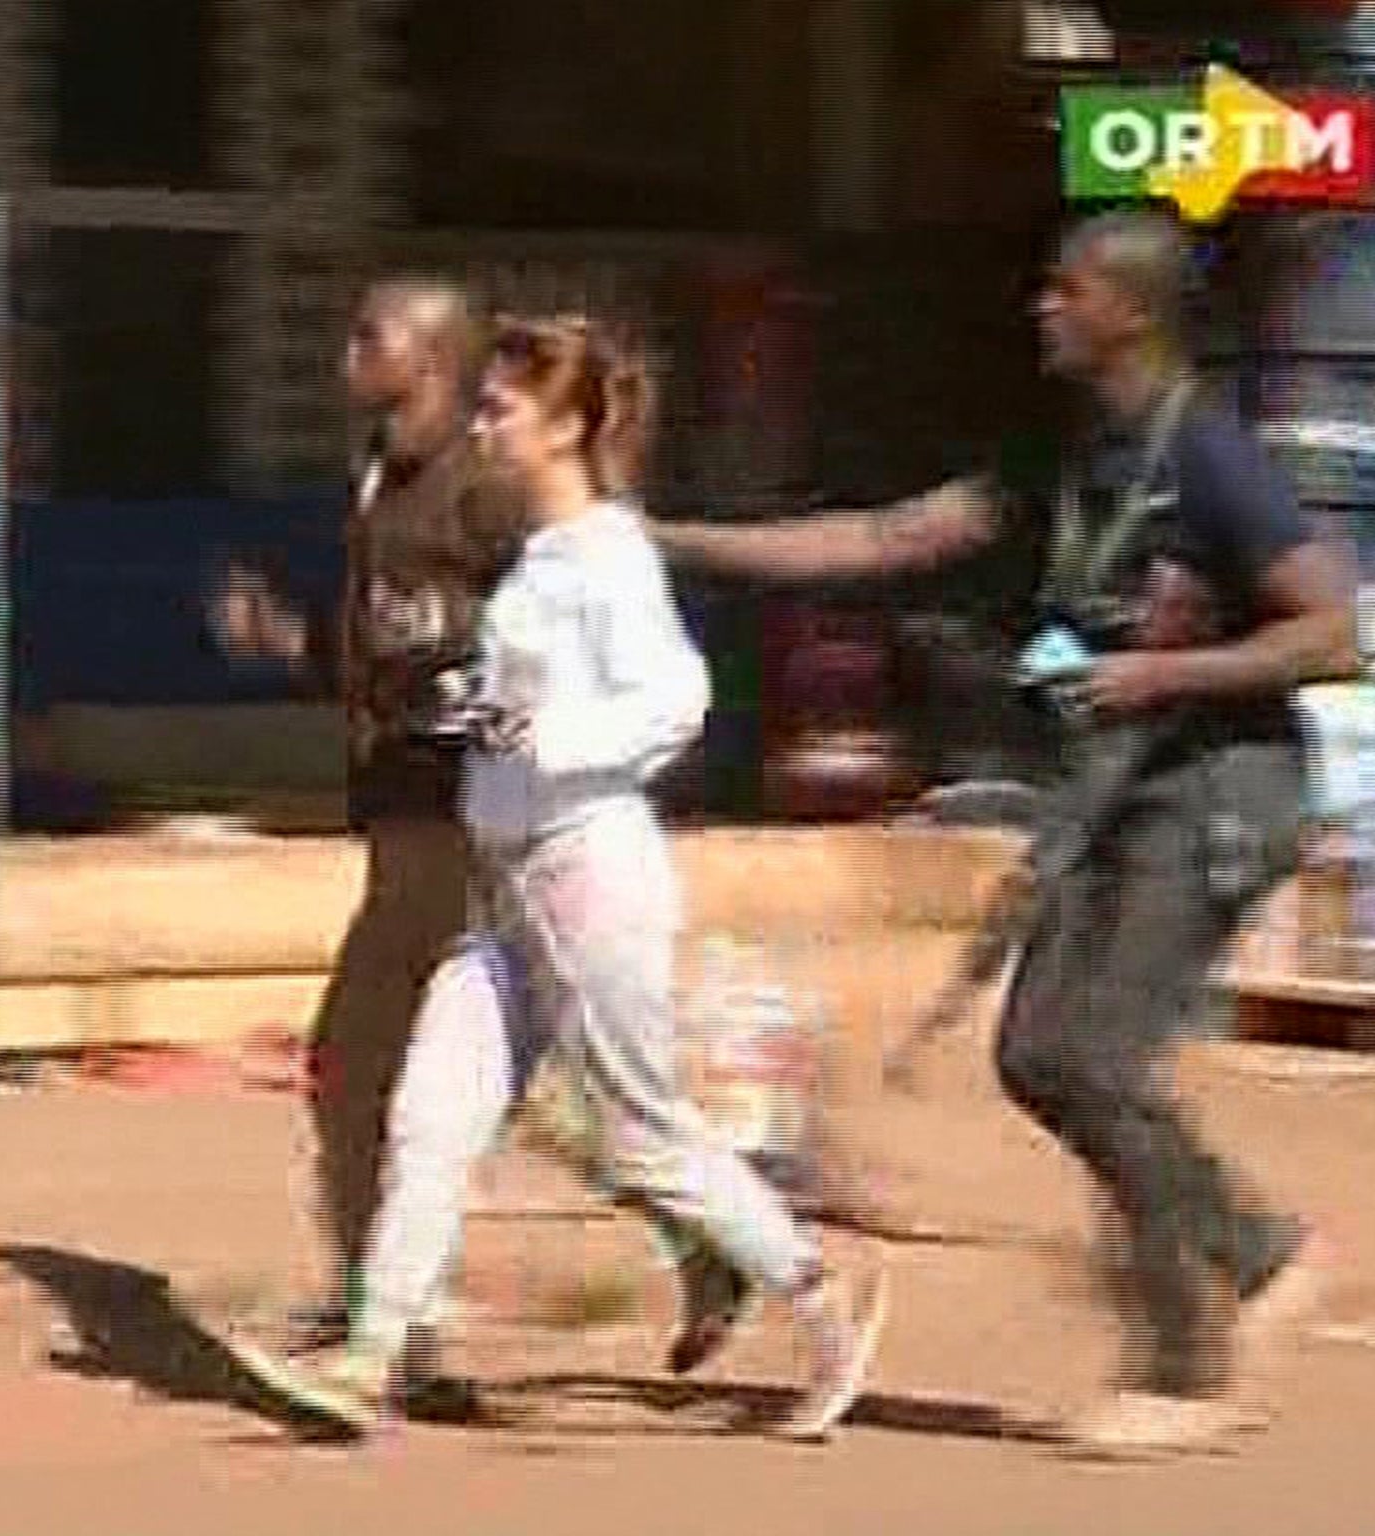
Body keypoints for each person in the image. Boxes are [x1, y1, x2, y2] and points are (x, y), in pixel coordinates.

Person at [646, 211, 1359, 1457]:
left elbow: (1332, 630)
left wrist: (1159, 681)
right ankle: (1262, 1257)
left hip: (1219, 790)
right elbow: (884, 539)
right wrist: (669, 541)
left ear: (1128, 312)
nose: (1040, 307)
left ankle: (1191, 1363)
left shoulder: (1205, 457)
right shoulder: (1067, 452)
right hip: (1121, 791)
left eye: (1064, 289)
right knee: (1037, 1054)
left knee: (1090, 1061)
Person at [229, 314, 889, 1442]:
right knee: (432, 1117)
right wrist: (470, 717)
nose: (480, 426)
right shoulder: (537, 559)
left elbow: (674, 703)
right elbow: (509, 708)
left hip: (592, 873)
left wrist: (546, 734)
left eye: (501, 411)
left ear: (568, 427)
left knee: (642, 1135)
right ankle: (371, 1354)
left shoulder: (610, 557)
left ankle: (820, 1296)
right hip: (507, 882)